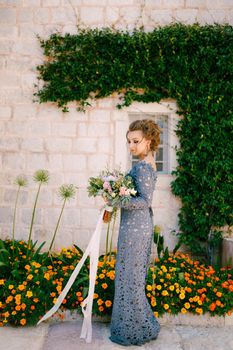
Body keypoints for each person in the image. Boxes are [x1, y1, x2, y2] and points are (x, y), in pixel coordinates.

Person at [109, 119, 161, 346]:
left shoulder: (144, 166)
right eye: (129, 141)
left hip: (136, 229)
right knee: (130, 277)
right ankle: (135, 325)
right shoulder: (146, 163)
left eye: (136, 141)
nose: (131, 145)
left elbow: (144, 200)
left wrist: (117, 199)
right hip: (134, 226)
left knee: (130, 278)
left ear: (148, 141)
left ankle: (135, 329)